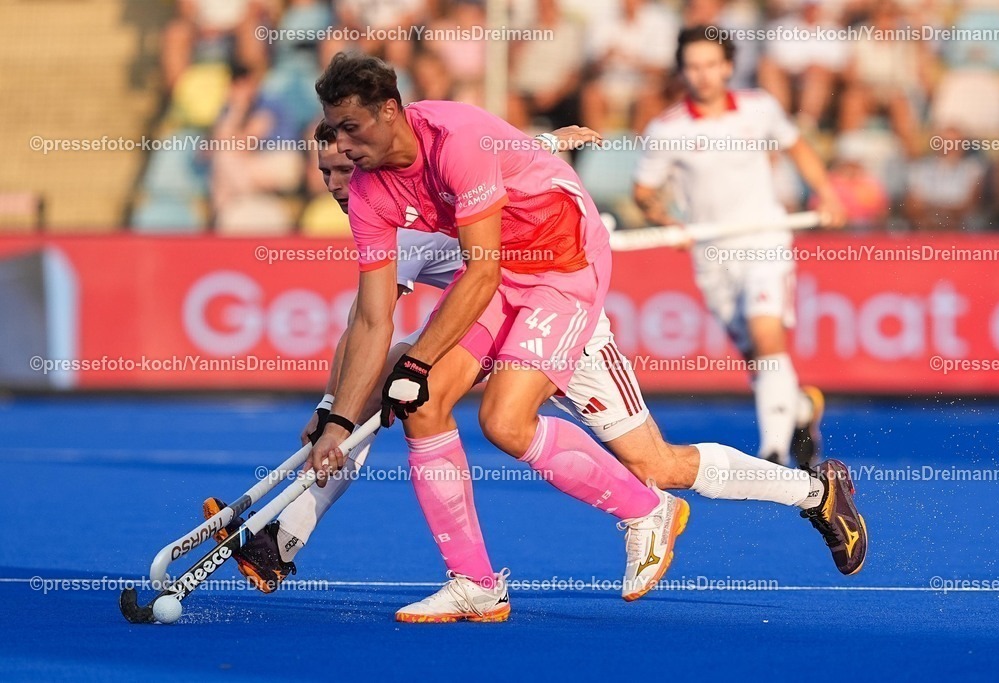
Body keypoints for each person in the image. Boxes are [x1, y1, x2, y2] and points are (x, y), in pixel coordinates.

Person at [206, 66, 867, 615]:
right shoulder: (380, 203)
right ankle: (333, 548)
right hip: (497, 300)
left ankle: (800, 493)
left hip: (558, 293)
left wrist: (363, 394)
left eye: (346, 152)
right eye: (327, 172)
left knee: (653, 462)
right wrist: (335, 412)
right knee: (405, 398)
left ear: (386, 116)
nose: (340, 177)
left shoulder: (425, 177)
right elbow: (367, 325)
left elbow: (472, 173)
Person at [633, 27, 847, 470]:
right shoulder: (665, 129)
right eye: (693, 66)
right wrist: (665, 219)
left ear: (727, 67)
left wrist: (825, 193)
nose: (703, 75)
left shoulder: (759, 107)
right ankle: (801, 411)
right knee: (756, 354)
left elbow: (796, 146)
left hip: (765, 238)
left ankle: (772, 452)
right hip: (711, 253)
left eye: (711, 64)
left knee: (767, 334)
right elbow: (644, 191)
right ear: (683, 71)